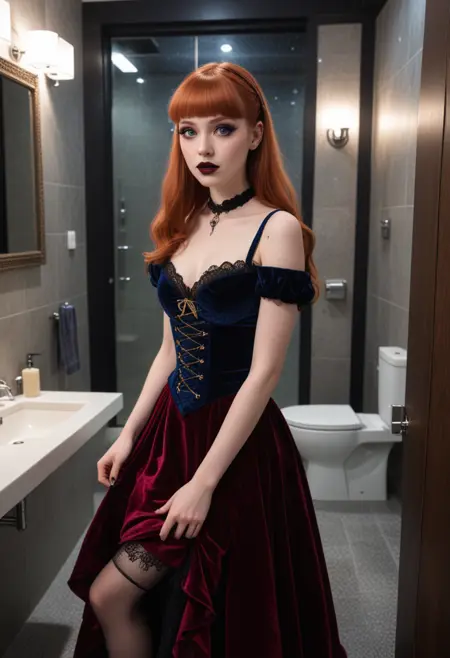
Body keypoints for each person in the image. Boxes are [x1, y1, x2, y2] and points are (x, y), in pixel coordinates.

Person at [68, 61, 347, 658]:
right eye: (187, 131)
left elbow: (265, 372)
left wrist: (205, 481)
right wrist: (129, 434)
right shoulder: (182, 224)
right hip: (170, 433)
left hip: (234, 443)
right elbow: (168, 351)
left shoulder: (277, 229)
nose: (203, 147)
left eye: (222, 128)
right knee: (127, 597)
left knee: (194, 600)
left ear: (255, 133)